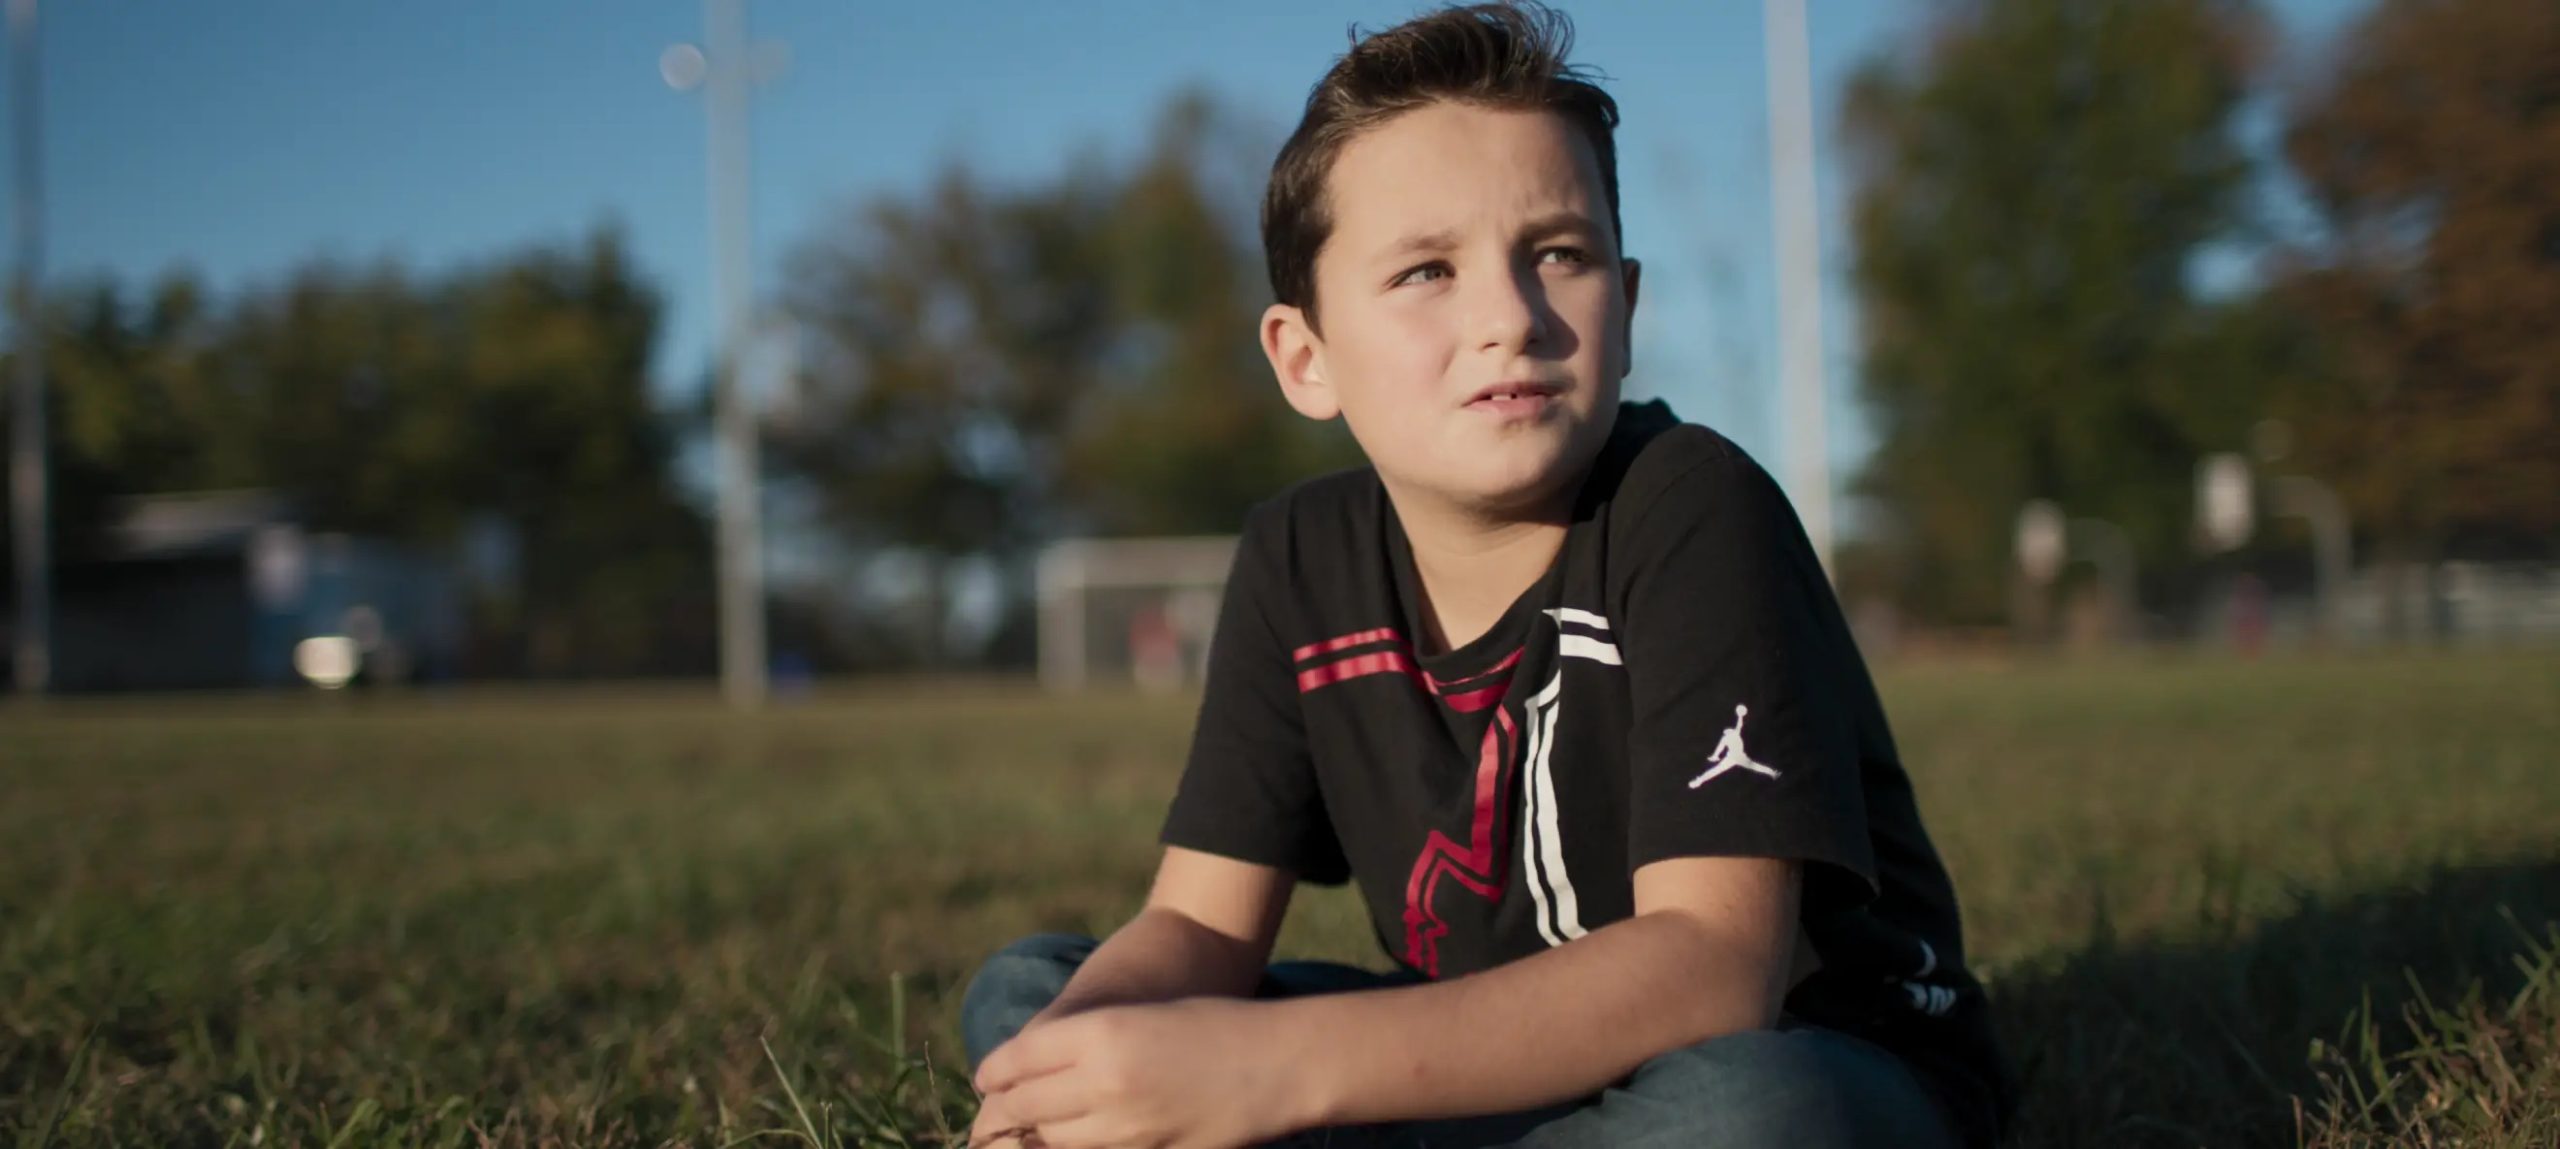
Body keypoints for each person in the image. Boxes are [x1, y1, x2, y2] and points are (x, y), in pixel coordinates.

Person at [959, 5, 2013, 1146]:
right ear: (1305, 359)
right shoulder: (1295, 557)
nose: (1510, 319)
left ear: (1629, 302)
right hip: (1482, 1062)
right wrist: (1085, 1069)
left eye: (1560, 254)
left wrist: (1268, 1071)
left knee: (1752, 1115)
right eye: (1425, 270)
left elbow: (1714, 972)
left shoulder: (1689, 503)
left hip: (1797, 1058)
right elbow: (1200, 929)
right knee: (1036, 1003)